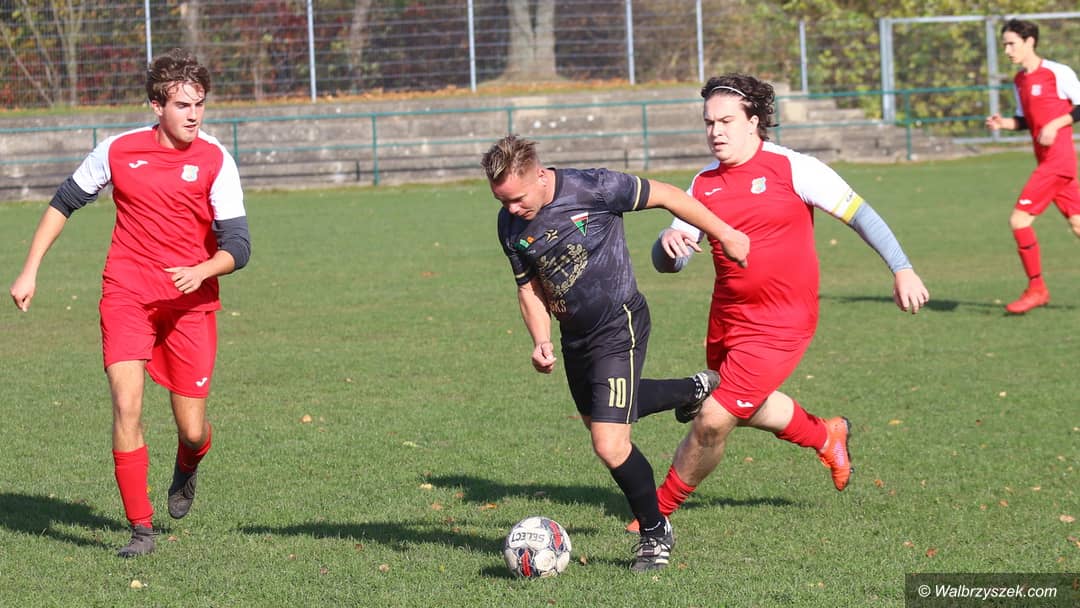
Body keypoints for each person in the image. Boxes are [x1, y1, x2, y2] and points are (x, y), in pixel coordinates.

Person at [629, 73, 929, 532]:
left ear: (754, 122)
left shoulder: (794, 168)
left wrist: (901, 268)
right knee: (742, 405)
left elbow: (861, 215)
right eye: (709, 123)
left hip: (783, 323)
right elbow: (671, 263)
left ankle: (656, 513)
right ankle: (826, 435)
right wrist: (668, 244)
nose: (716, 132)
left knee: (713, 419)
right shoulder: (703, 184)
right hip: (728, 319)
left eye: (726, 121)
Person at [9, 48, 251, 557]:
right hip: (127, 295)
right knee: (126, 405)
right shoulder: (118, 151)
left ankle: (188, 462)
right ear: (156, 106)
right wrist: (30, 269)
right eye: (182, 105)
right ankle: (141, 528)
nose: (194, 115)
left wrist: (202, 270)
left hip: (191, 304)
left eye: (199, 104)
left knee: (192, 429)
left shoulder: (216, 159)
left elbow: (239, 246)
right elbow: (64, 202)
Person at [482, 134, 749, 572]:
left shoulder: (595, 187)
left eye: (517, 198)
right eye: (501, 201)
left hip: (617, 323)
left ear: (540, 175)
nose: (511, 209)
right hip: (574, 338)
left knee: (609, 443)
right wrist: (540, 338)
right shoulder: (509, 225)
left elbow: (668, 195)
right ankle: (691, 390)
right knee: (604, 418)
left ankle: (655, 532)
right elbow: (528, 287)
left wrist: (725, 233)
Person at [984, 18, 1080, 314]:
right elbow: (1026, 120)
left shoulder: (1057, 72)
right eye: (1004, 45)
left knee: (1019, 221)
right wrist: (1004, 123)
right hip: (1048, 162)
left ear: (1030, 42)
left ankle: (1037, 289)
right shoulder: (1020, 80)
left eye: (1012, 44)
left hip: (1058, 162)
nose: (1007, 50)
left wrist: (1056, 123)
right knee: (1078, 224)